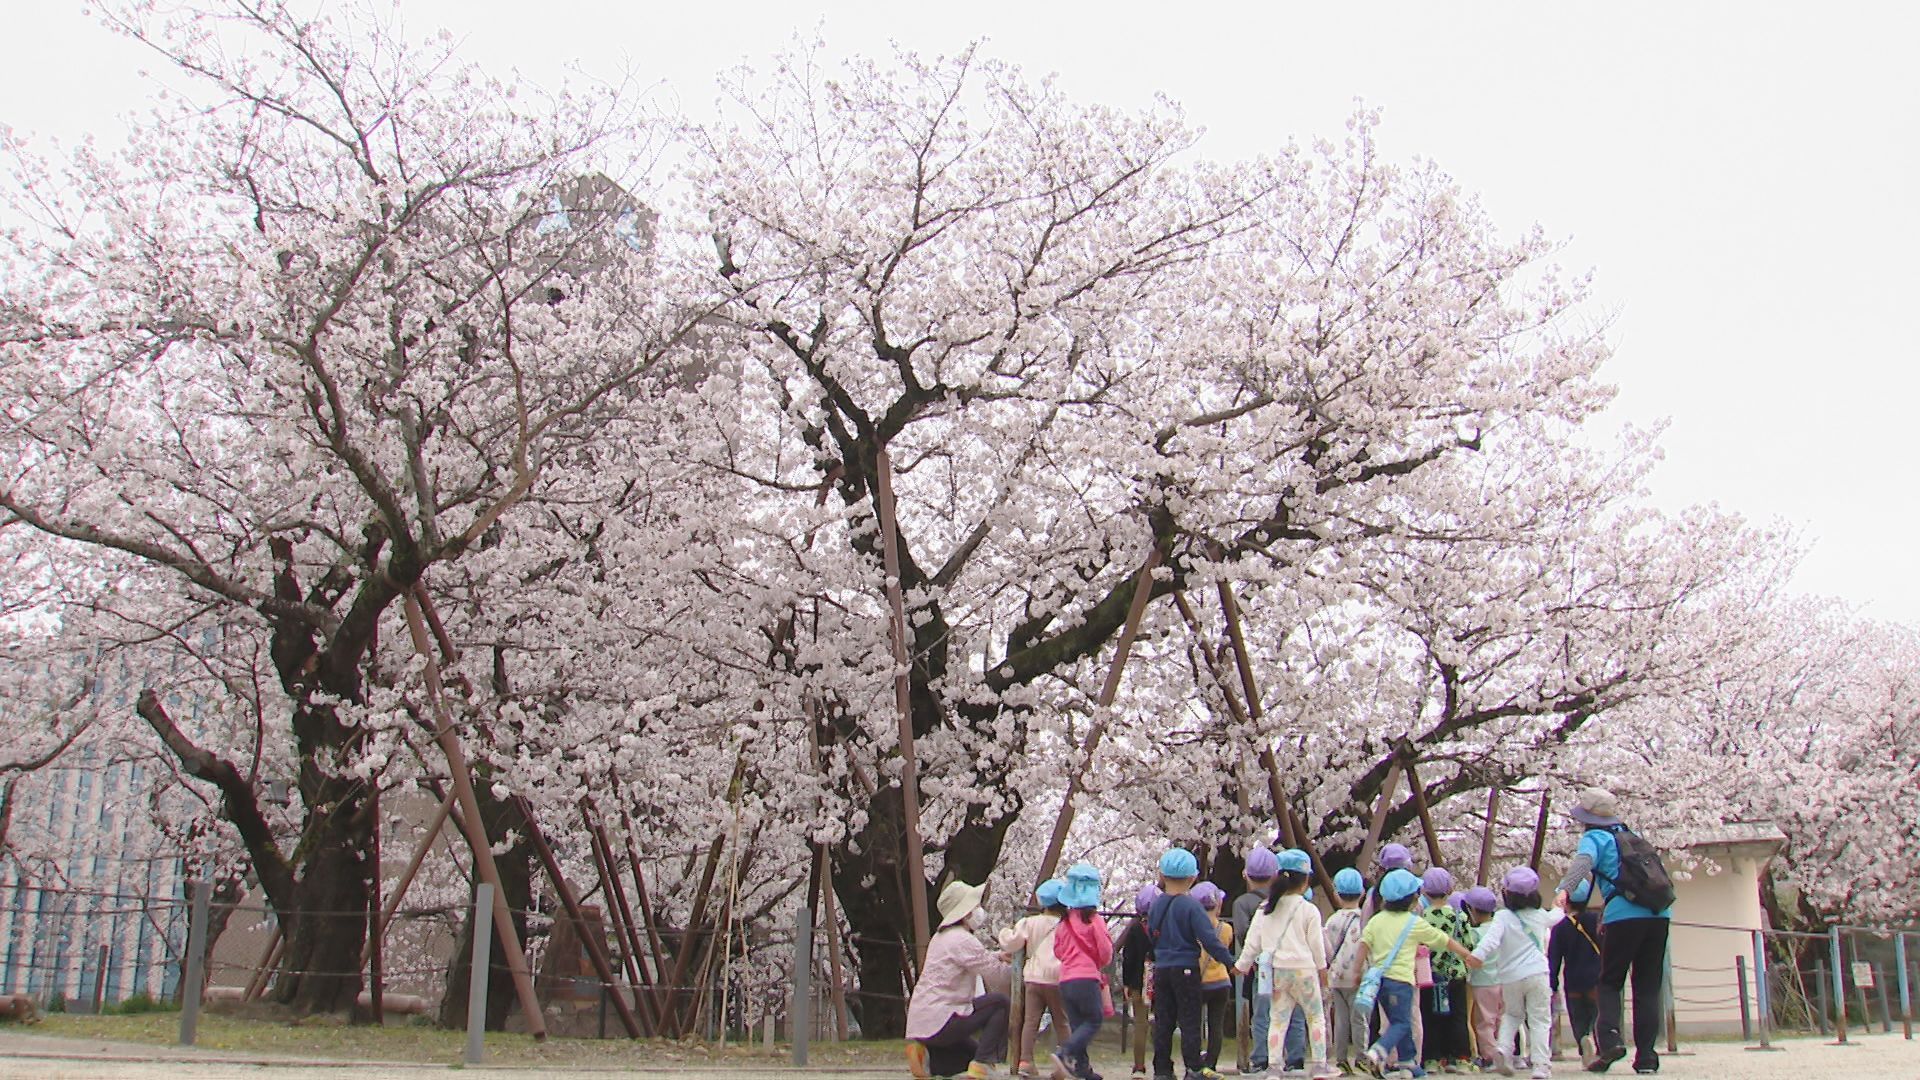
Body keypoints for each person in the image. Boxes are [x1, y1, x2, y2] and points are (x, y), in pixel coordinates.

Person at [1552, 788, 1672, 1075]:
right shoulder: (1633, 837)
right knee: (1647, 985)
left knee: (1609, 980)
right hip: (1660, 913)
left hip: (1623, 915)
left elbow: (1583, 864)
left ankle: (1610, 1040)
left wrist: (1565, 890)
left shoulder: (1595, 837)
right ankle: (1646, 1058)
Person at [1354, 868, 1482, 1079]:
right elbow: (1444, 940)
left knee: (1397, 1020)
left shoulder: (1376, 920)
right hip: (1402, 982)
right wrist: (1467, 955)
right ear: (1412, 898)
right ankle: (1377, 1052)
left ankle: (1408, 1063)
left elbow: (1363, 945)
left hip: (1380, 983)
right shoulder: (1413, 923)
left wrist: (1356, 971)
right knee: (1402, 1023)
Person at [1235, 848, 1337, 1079]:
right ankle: (1319, 1065)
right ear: (1306, 881)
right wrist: (1322, 970)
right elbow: (1316, 945)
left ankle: (1273, 1067)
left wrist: (1241, 965)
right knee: (1315, 1017)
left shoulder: (1266, 909)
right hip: (1305, 971)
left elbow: (1253, 942)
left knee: (1278, 1019)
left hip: (1277, 972)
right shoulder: (1308, 909)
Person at [906, 880, 1014, 1080]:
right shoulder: (963, 939)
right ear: (965, 913)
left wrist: (998, 955)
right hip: (943, 1019)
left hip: (923, 1024)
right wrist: (1022, 966)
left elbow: (975, 959)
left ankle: (928, 1056)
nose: (978, 911)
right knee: (1000, 1003)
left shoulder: (941, 937)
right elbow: (997, 975)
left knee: (968, 1057)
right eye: (975, 907)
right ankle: (983, 1064)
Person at [1146, 848, 1238, 1080]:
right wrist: (1230, 962)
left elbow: (1151, 933)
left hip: (1162, 967)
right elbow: (1209, 939)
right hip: (1186, 967)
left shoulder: (1156, 905)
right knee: (1189, 1019)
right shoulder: (1191, 907)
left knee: (1164, 1020)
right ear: (1192, 878)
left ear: (1162, 875)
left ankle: (1162, 1070)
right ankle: (1193, 1068)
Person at [1473, 867, 1564, 1079]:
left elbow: (1490, 941)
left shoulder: (1502, 917)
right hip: (1538, 975)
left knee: (1512, 1015)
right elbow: (1557, 916)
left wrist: (1477, 955)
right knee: (1540, 1019)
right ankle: (1541, 1066)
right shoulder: (1540, 916)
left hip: (1510, 977)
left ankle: (1504, 1050)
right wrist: (1559, 905)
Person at [1053, 861, 1114, 1080]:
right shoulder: (1094, 921)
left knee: (1079, 1024)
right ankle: (1065, 1052)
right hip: (1087, 978)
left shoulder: (1064, 922)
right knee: (1094, 1020)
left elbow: (1058, 951)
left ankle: (1082, 1070)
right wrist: (1097, 962)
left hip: (1066, 980)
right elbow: (1105, 951)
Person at [1002, 879, 1069, 1078]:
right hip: (1058, 978)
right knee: (1062, 1022)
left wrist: (1004, 932)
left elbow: (1012, 943)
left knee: (1030, 1021)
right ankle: (1066, 1062)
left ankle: (1025, 1061)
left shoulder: (1029, 923)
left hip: (1034, 977)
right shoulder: (1066, 925)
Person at [1418, 868, 1473, 1072]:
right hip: (1456, 974)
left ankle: (1432, 1059)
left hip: (1429, 975)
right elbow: (1468, 944)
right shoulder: (1460, 917)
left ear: (1424, 892)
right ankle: (1460, 1058)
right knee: (1458, 1016)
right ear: (1450, 889)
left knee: (1430, 1017)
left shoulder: (1422, 918)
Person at [1230, 847, 1280, 1074]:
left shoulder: (1242, 903)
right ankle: (1286, 1056)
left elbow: (1241, 933)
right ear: (1275, 875)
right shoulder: (1283, 900)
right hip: (1285, 962)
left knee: (1261, 1012)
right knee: (1284, 1011)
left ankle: (1261, 1057)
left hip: (1260, 966)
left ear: (1246, 875)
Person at [1548, 880, 1604, 1063]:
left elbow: (1554, 959)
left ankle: (1583, 1044)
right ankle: (1595, 1043)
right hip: (1596, 977)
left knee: (1578, 1016)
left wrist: (1553, 983)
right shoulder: (1597, 921)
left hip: (1572, 979)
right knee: (1597, 1013)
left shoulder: (1560, 928)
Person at [1323, 868, 1372, 1074]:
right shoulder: (1365, 920)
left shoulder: (1332, 920)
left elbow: (1327, 948)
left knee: (1341, 1020)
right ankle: (1362, 1056)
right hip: (1358, 975)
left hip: (1336, 976)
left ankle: (1341, 1058)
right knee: (1359, 1018)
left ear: (1336, 894)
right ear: (1362, 893)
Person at [1191, 882, 1235, 1077]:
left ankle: (1195, 1061)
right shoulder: (1225, 929)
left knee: (1194, 1023)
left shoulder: (1192, 929)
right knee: (1215, 1025)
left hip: (1199, 982)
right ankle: (1212, 1063)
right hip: (1221, 981)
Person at [1461, 886, 1505, 1072]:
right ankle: (1505, 1051)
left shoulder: (1475, 933)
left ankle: (1490, 1056)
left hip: (1483, 983)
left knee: (1484, 1022)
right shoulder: (1501, 928)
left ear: (1473, 911)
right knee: (1502, 1019)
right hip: (1503, 980)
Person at [1121, 884, 1160, 1079]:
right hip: (1161, 980)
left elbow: (1128, 957)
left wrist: (1127, 983)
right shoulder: (1162, 928)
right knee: (1163, 1022)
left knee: (1140, 1024)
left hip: (1137, 981)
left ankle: (1138, 1066)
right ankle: (1162, 1063)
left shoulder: (1135, 928)